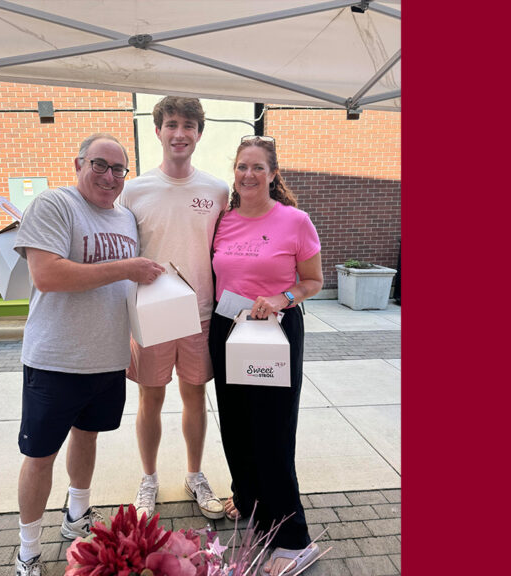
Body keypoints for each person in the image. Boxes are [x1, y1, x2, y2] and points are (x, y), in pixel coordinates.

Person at [12, 133, 165, 576]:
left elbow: (127, 286)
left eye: (119, 169)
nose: (110, 176)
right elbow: (47, 275)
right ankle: (27, 551)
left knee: (88, 436)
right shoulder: (55, 204)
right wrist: (128, 267)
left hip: (108, 357)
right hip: (56, 359)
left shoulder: (124, 218)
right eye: (100, 165)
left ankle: (76, 515)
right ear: (78, 163)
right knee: (40, 455)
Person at [208, 136, 324, 576]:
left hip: (274, 331)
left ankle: (295, 540)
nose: (248, 175)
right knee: (236, 425)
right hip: (228, 328)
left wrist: (282, 297)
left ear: (273, 174)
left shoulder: (294, 220)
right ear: (233, 172)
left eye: (258, 167)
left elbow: (312, 281)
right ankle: (250, 499)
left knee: (273, 432)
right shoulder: (223, 221)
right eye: (241, 167)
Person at [119, 96, 230, 520]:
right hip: (152, 314)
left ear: (199, 133)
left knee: (195, 396)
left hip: (201, 313)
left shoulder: (217, 190)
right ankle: (148, 479)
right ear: (158, 131)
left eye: (188, 125)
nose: (179, 133)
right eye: (171, 125)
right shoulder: (134, 190)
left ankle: (194, 474)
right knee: (150, 397)